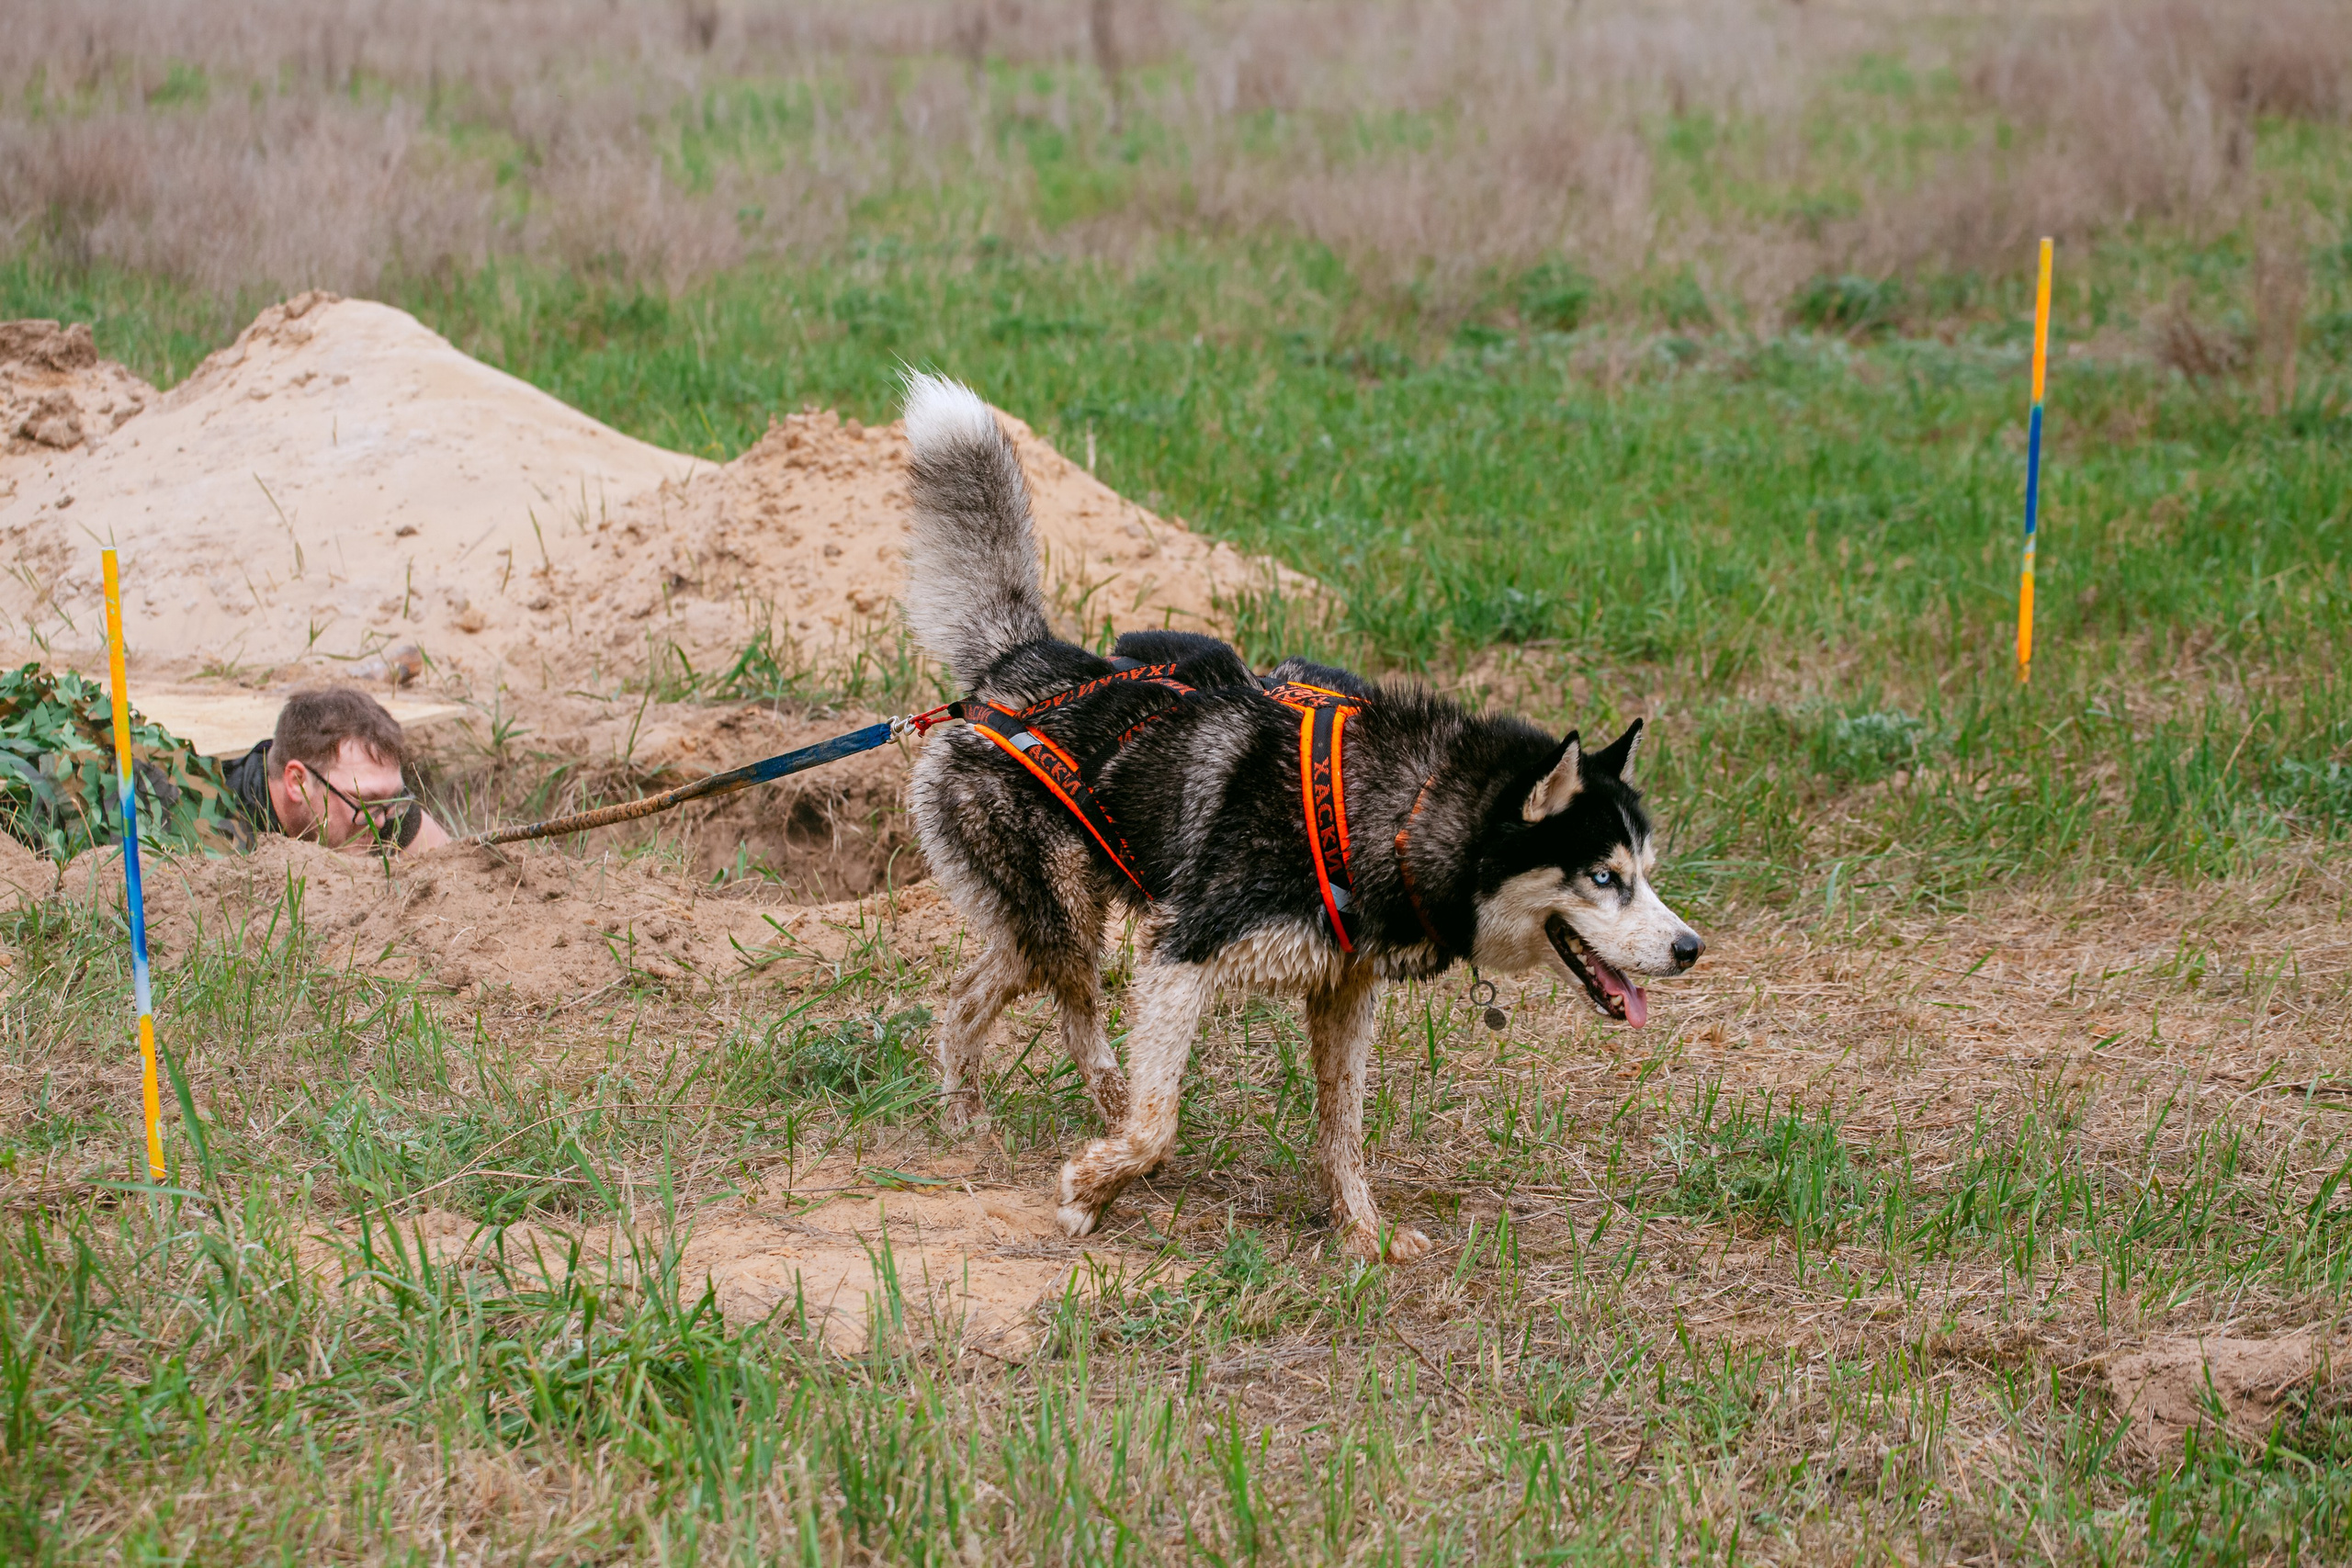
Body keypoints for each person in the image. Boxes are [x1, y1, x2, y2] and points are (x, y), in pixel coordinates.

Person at [220, 686, 453, 853]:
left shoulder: (381, 809)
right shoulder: (216, 833)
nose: (380, 823)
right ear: (298, 782)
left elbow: (455, 872)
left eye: (394, 799)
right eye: (366, 802)